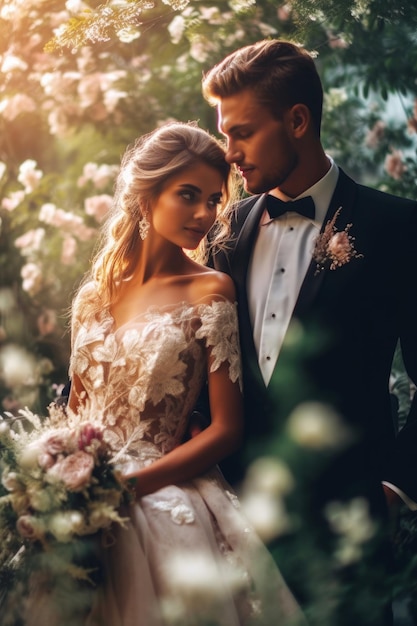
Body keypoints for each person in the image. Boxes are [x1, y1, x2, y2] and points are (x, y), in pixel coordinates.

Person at [50, 122, 304, 626]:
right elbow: (74, 413)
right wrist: (59, 482)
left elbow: (227, 430)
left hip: (165, 496)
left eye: (213, 200)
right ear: (146, 196)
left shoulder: (210, 291)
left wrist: (129, 487)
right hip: (80, 495)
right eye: (188, 195)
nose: (204, 214)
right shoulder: (93, 297)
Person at [201, 39, 417, 626]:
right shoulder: (222, 232)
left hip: (348, 529)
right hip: (232, 528)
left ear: (297, 120)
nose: (231, 153)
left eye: (241, 132)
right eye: (224, 135)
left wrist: (397, 490)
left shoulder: (398, 227)